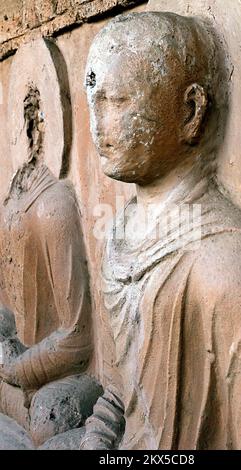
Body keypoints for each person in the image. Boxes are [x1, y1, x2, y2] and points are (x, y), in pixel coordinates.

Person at [80, 11, 241, 450]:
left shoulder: (237, 266)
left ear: (190, 111)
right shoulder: (120, 236)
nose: (98, 125)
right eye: (93, 100)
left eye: (118, 101)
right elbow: (118, 396)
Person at [0, 83, 102, 447]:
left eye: (32, 119)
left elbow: (77, 337)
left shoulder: (54, 206)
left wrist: (17, 368)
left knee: (47, 418)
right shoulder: (10, 202)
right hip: (15, 359)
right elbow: (5, 309)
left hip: (64, 374)